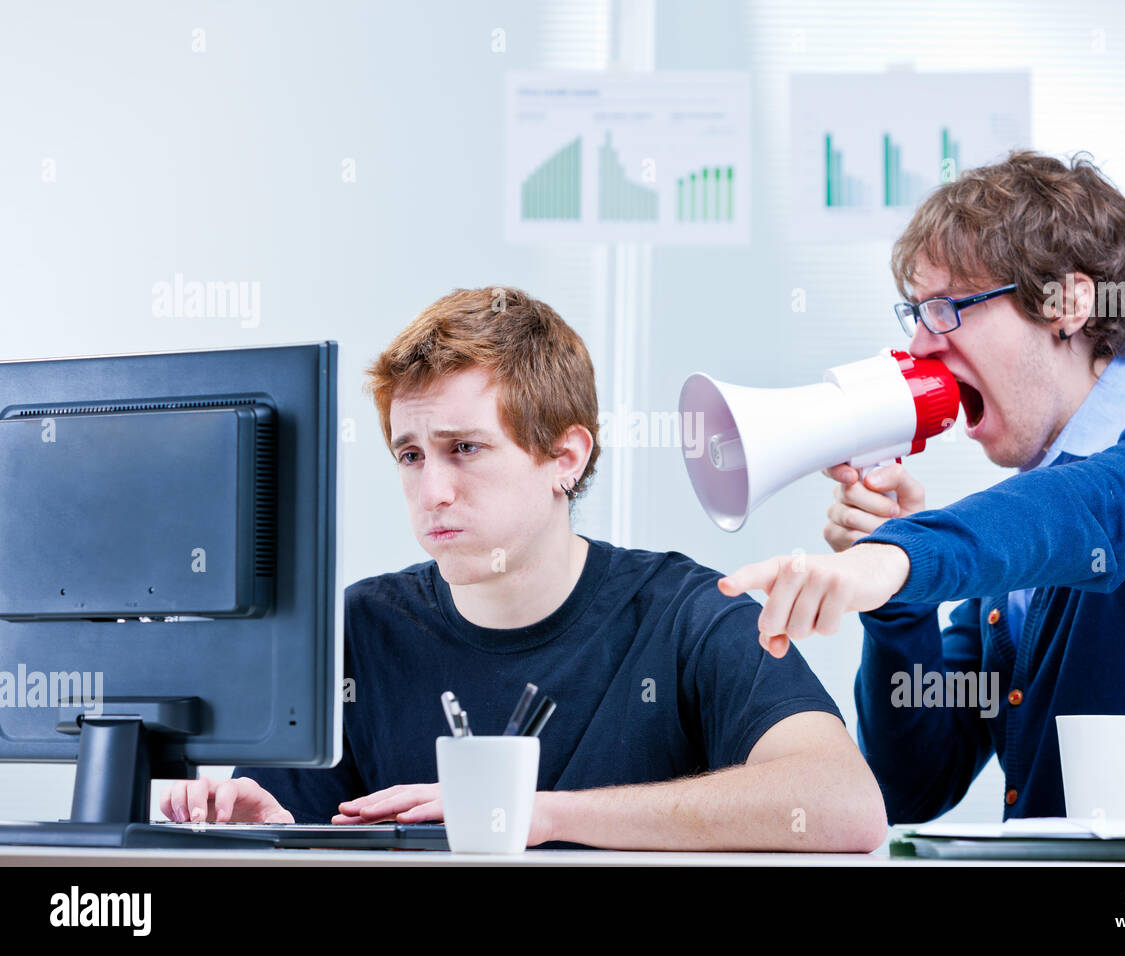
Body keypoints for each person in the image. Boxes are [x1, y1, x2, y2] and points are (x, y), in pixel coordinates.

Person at [160, 286, 887, 851]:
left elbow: (842, 804)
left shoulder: (688, 614)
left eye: (465, 449)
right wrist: (267, 836)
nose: (431, 490)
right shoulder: (358, 632)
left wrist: (535, 816)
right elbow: (299, 837)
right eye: (411, 455)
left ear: (564, 459)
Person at [720, 150, 1125, 822]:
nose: (922, 349)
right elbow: (912, 787)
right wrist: (897, 599)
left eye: (948, 309)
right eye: (916, 314)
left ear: (1069, 305)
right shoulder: (1012, 558)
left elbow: (1106, 510)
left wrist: (904, 555)